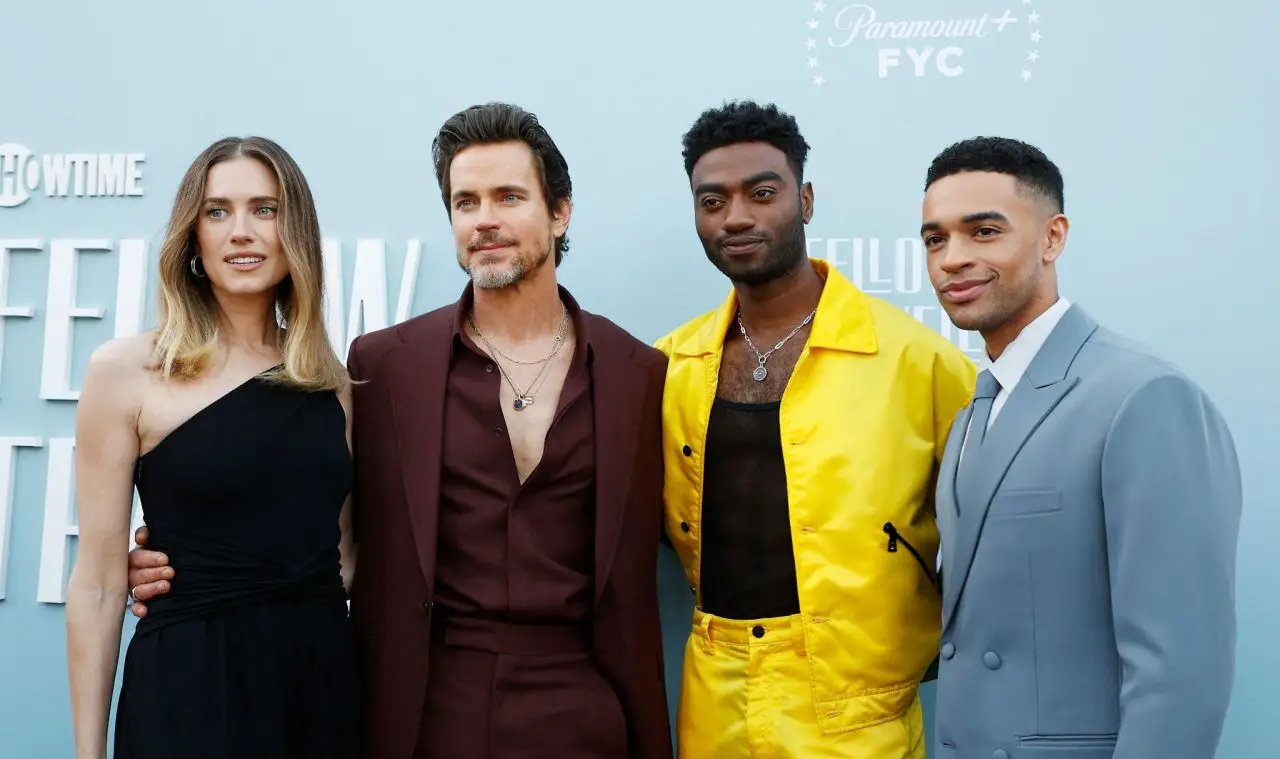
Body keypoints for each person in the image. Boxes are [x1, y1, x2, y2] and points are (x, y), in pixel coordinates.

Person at [126, 103, 673, 759]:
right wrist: (187, 561)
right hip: (426, 714)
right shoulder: (383, 368)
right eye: (465, 201)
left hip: (582, 713)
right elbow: (329, 533)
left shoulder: (637, 373)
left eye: (508, 196)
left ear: (560, 212)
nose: (485, 218)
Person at [655, 100, 977, 758]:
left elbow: (987, 548)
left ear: (804, 200)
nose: (736, 216)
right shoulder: (667, 367)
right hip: (714, 693)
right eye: (711, 201)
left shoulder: (917, 361)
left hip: (857, 705)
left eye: (761, 193)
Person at [922, 136, 1242, 759]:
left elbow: (1180, 670)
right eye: (936, 239)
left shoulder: (1144, 396)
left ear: (1053, 237)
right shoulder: (974, 410)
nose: (952, 259)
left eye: (983, 231)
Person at [66, 136, 359, 759]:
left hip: (320, 686)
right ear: (192, 237)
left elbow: (345, 555)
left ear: (295, 232)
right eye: (217, 211)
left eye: (266, 209)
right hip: (191, 687)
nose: (241, 232)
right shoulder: (126, 371)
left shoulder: (330, 380)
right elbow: (95, 585)